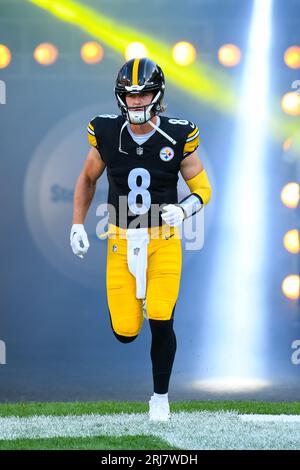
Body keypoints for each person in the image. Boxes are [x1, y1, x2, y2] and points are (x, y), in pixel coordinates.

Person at [70, 58, 212, 422]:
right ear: (120, 97)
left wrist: (184, 209)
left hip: (162, 238)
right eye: (129, 95)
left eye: (143, 93)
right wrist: (77, 225)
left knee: (162, 317)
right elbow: (87, 179)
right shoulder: (104, 131)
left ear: (157, 95)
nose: (136, 102)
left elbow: (203, 189)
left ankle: (160, 399)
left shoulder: (178, 133)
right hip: (120, 238)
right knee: (126, 332)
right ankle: (140, 307)